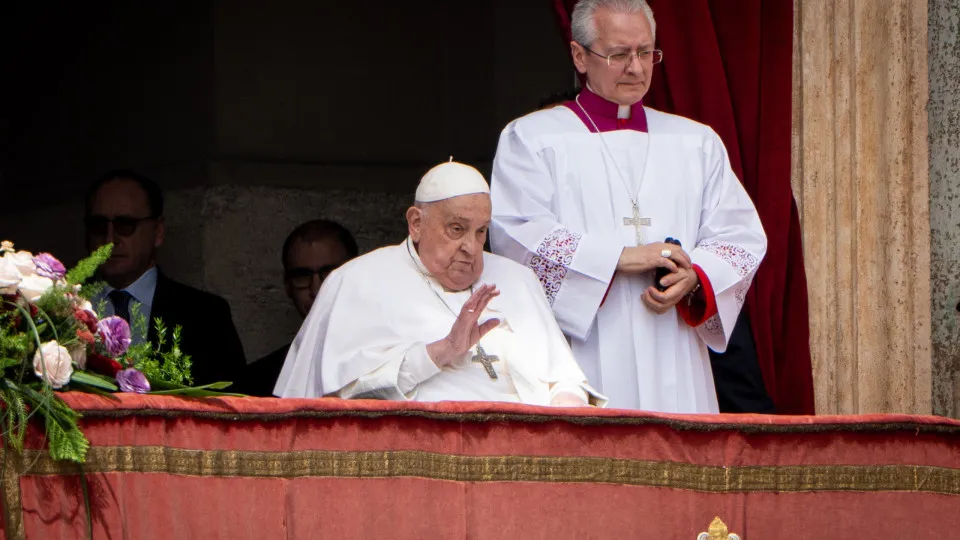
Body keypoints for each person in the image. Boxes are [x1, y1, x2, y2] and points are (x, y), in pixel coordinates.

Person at [489, 0, 767, 413]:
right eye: (618, 54)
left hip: (675, 347)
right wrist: (619, 258)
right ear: (579, 56)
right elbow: (517, 234)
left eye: (646, 52)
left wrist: (695, 277)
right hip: (586, 345)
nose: (636, 68)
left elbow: (740, 236)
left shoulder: (696, 142)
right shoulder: (532, 139)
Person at [275, 160, 605, 407]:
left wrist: (567, 404)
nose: (472, 247)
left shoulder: (518, 280)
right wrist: (441, 352)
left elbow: (565, 380)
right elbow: (338, 398)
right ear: (416, 223)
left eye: (481, 231)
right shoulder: (355, 281)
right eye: (457, 229)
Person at [85, 169, 246, 386]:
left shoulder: (206, 316)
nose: (110, 238)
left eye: (125, 225)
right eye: (98, 225)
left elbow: (234, 399)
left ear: (158, 231)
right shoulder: (61, 309)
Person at [236, 219, 358, 396]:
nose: (316, 289)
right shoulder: (257, 383)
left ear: (356, 275)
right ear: (287, 286)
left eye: (330, 274)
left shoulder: (387, 362)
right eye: (302, 276)